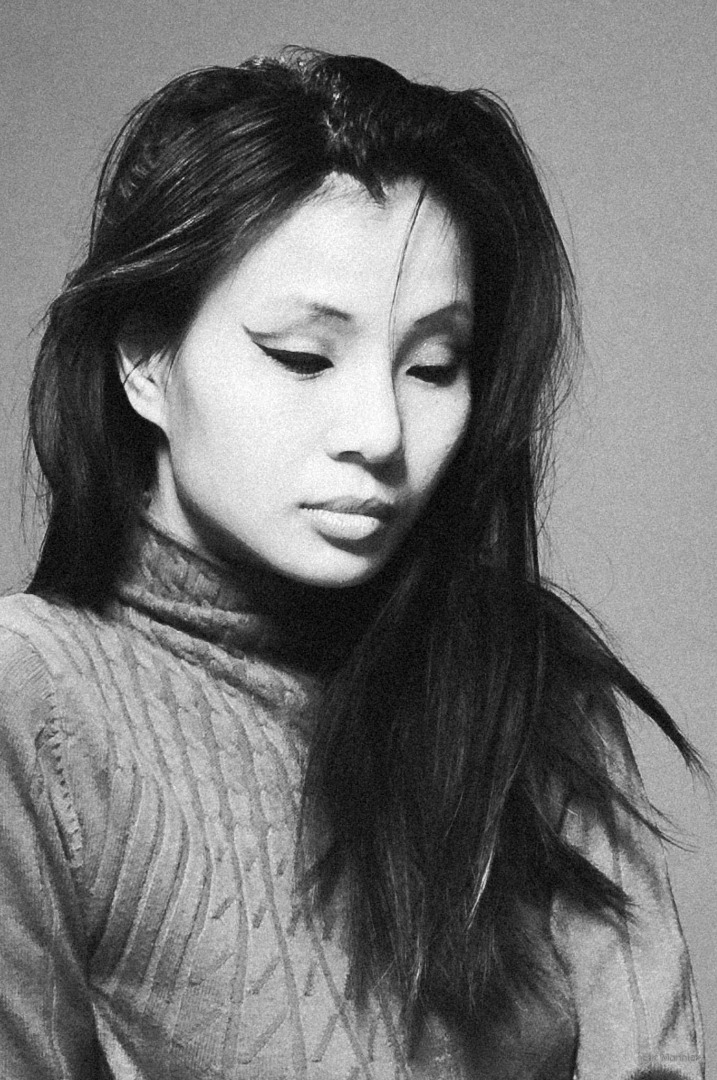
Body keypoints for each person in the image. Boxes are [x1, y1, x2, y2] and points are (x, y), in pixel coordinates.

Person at [0, 49, 704, 1080]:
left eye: (433, 366)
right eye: (303, 357)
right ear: (145, 358)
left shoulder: (524, 684)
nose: (379, 431)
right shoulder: (36, 702)